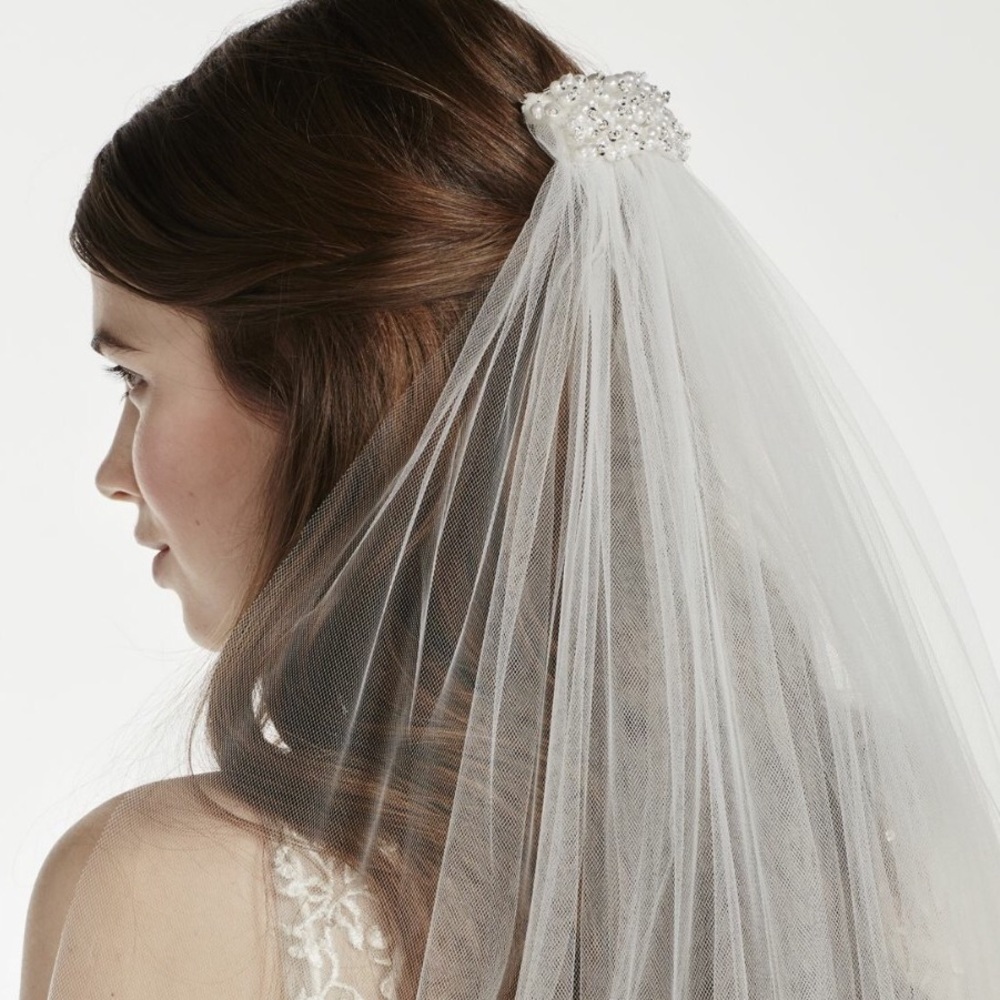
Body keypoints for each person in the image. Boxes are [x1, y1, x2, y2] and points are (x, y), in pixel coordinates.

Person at [19, 0, 1000, 997]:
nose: (113, 469)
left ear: (330, 382)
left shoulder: (175, 890)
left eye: (135, 379)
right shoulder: (883, 843)